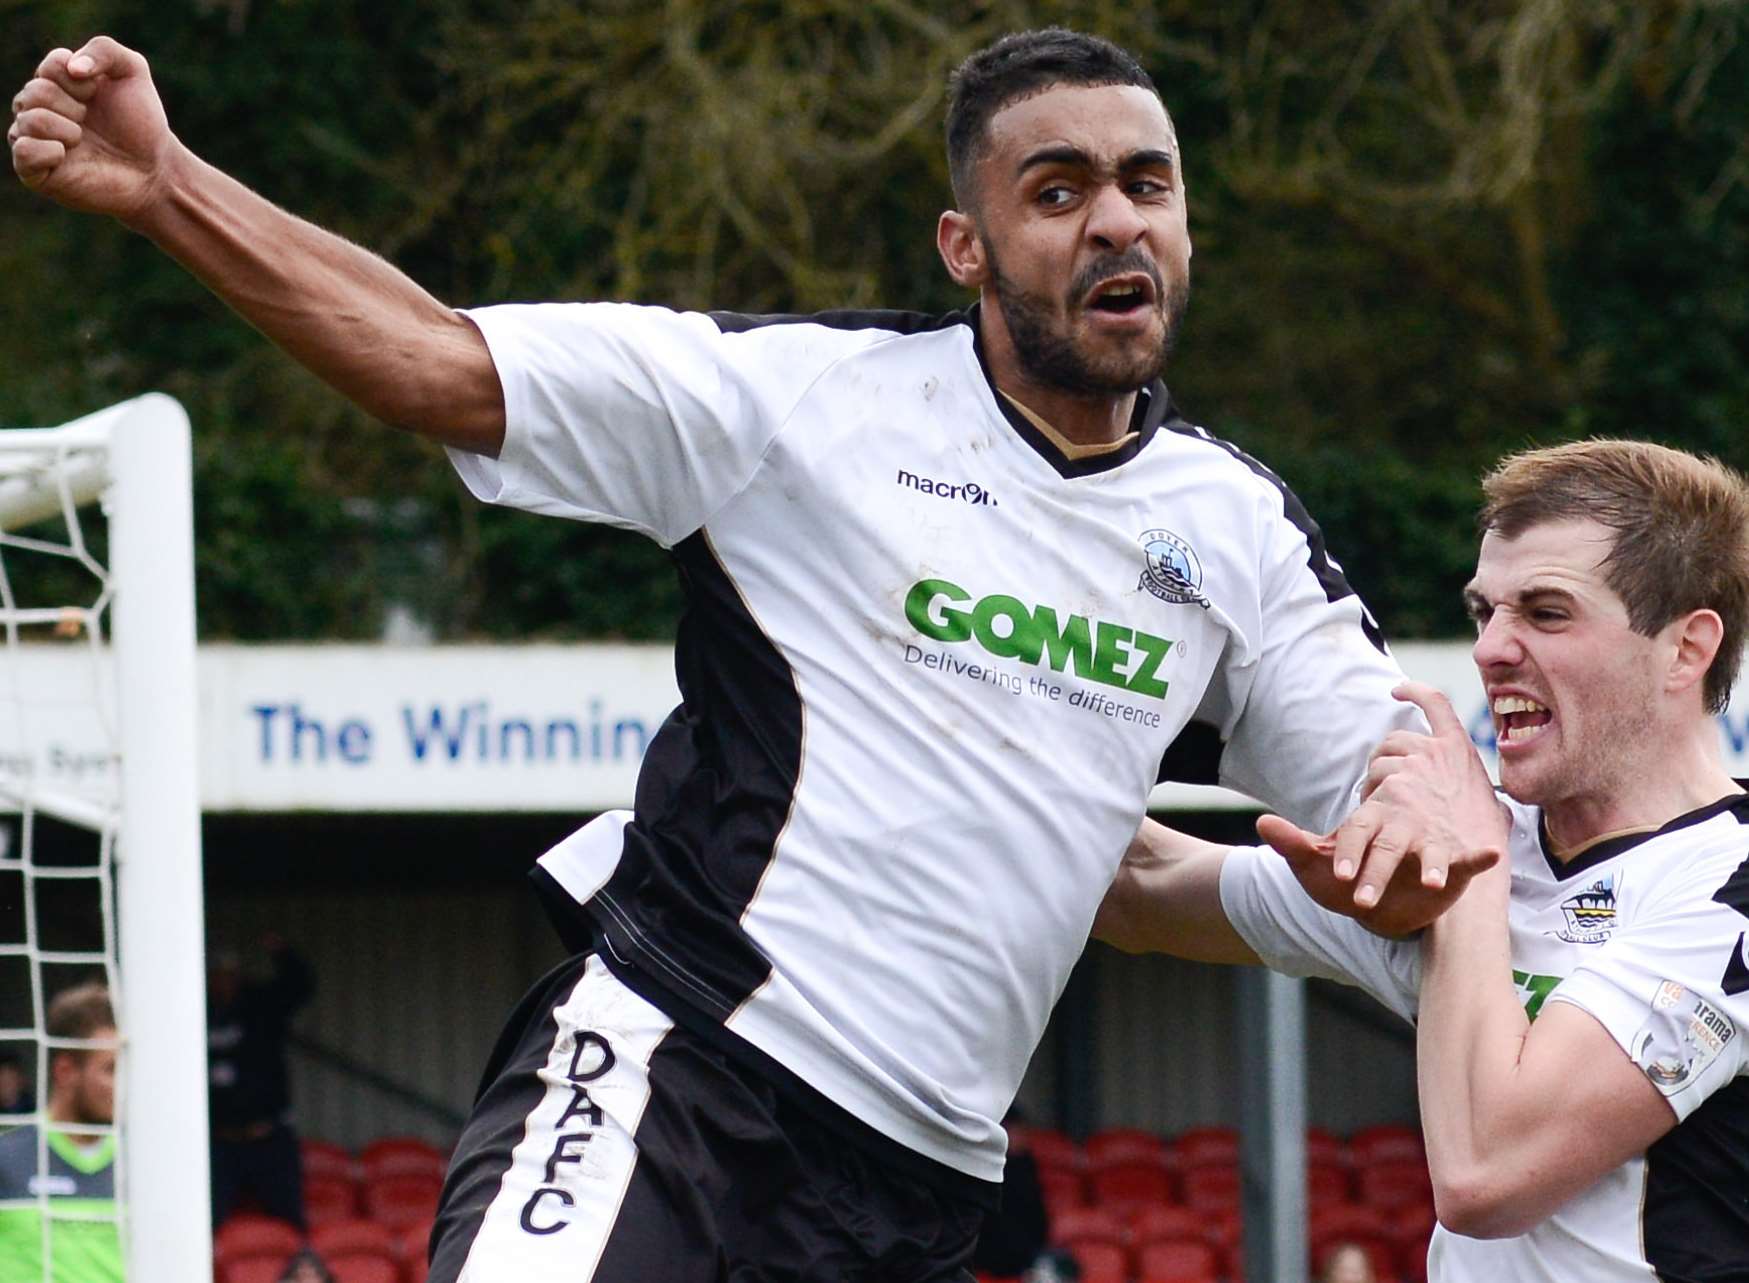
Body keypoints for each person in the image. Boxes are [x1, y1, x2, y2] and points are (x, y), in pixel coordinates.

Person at [9, 27, 1489, 1281]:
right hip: (679, 1073)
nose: (1114, 221)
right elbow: (437, 359)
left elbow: (1378, 761)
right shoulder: (795, 400)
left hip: (923, 1188)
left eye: (1145, 185)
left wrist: (1419, 801)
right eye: (1059, 189)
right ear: (965, 245)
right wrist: (169, 188)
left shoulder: (1234, 529)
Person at [1098, 440, 1749, 1280]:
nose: (1490, 650)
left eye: (1545, 612)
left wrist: (1465, 872)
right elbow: (1137, 887)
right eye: (1485, 612)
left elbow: (1486, 1174)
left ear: (1686, 648)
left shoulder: (1724, 881)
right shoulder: (1471, 849)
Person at [0, 982, 123, 1282]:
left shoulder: (147, 1169)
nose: (124, 1085)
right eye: (111, 1069)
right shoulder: (7, 1159)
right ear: (66, 1072)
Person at [207, 934, 315, 1229]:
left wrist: (282, 953)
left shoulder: (259, 1007)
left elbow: (300, 988)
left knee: (292, 1224)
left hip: (267, 1136)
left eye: (229, 974)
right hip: (221, 1141)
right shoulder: (195, 1012)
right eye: (217, 974)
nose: (224, 981)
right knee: (206, 1223)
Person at [0, 1051, 36, 1121]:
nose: (5, 1086)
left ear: (21, 1079)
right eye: (2, 1080)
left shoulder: (35, 1113)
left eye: (10, 1079)